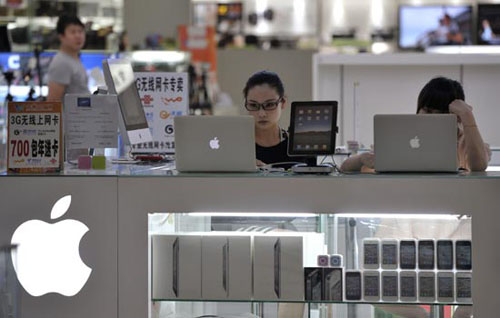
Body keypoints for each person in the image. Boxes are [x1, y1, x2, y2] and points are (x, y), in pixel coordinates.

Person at [341, 77, 490, 172]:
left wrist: (467, 116)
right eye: (426, 110)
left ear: (455, 116)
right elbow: (345, 167)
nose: (431, 117)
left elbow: (478, 166)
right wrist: (361, 159)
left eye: (439, 112)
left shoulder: (466, 140)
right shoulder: (403, 134)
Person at [242, 70, 310, 167]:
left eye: (269, 104)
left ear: (283, 103)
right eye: (253, 105)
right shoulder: (237, 148)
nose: (262, 114)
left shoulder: (299, 147)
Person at [47, 15, 89, 101]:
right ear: (61, 36)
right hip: (70, 114)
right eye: (73, 32)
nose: (78, 36)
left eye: (80, 31)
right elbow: (53, 102)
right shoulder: (61, 63)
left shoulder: (74, 58)